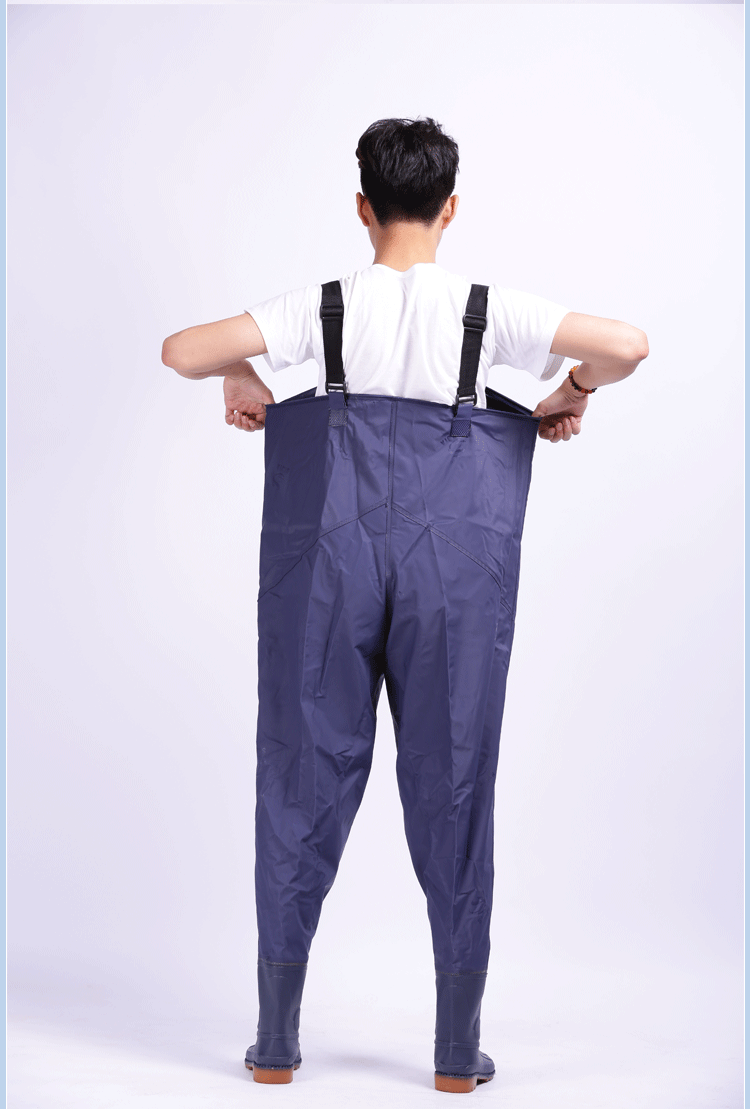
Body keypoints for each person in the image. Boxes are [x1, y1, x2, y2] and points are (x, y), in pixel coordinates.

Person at [162, 117, 649, 1094]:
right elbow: (628, 345)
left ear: (362, 206)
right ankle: (456, 1052)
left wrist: (241, 372)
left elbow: (180, 350)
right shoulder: (486, 309)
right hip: (456, 563)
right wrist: (569, 388)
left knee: (300, 772)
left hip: (325, 559)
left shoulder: (323, 307)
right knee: (455, 777)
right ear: (451, 208)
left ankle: (274, 1041)